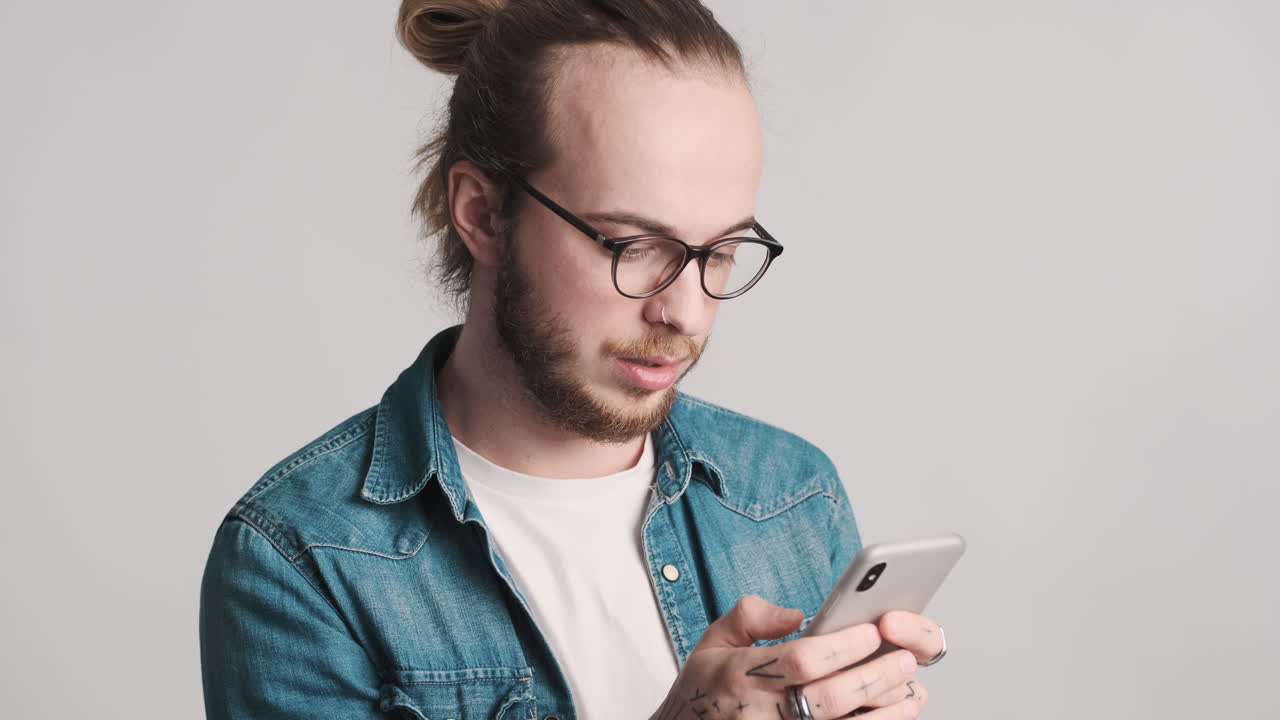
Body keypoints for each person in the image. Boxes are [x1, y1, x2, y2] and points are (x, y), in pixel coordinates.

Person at [198, 1, 947, 718]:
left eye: (720, 252)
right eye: (632, 245)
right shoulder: (300, 557)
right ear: (484, 214)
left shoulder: (791, 496)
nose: (684, 312)